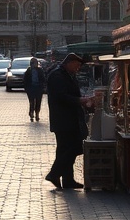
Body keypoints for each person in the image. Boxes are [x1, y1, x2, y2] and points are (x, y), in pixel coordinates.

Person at [45, 53, 93, 190]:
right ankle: (54, 174)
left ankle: (68, 180)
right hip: (63, 120)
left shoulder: (68, 75)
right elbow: (61, 97)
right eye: (77, 65)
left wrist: (82, 100)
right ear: (70, 63)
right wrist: (80, 100)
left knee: (65, 150)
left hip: (71, 118)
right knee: (72, 148)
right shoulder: (57, 75)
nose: (78, 68)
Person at [23, 57, 46, 122]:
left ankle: (37, 113)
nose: (34, 64)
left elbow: (43, 79)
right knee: (32, 102)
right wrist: (26, 88)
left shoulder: (40, 70)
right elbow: (25, 80)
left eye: (35, 63)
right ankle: (31, 113)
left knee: (38, 102)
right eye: (32, 63)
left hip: (38, 88)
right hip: (31, 88)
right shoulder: (28, 71)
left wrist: (43, 87)